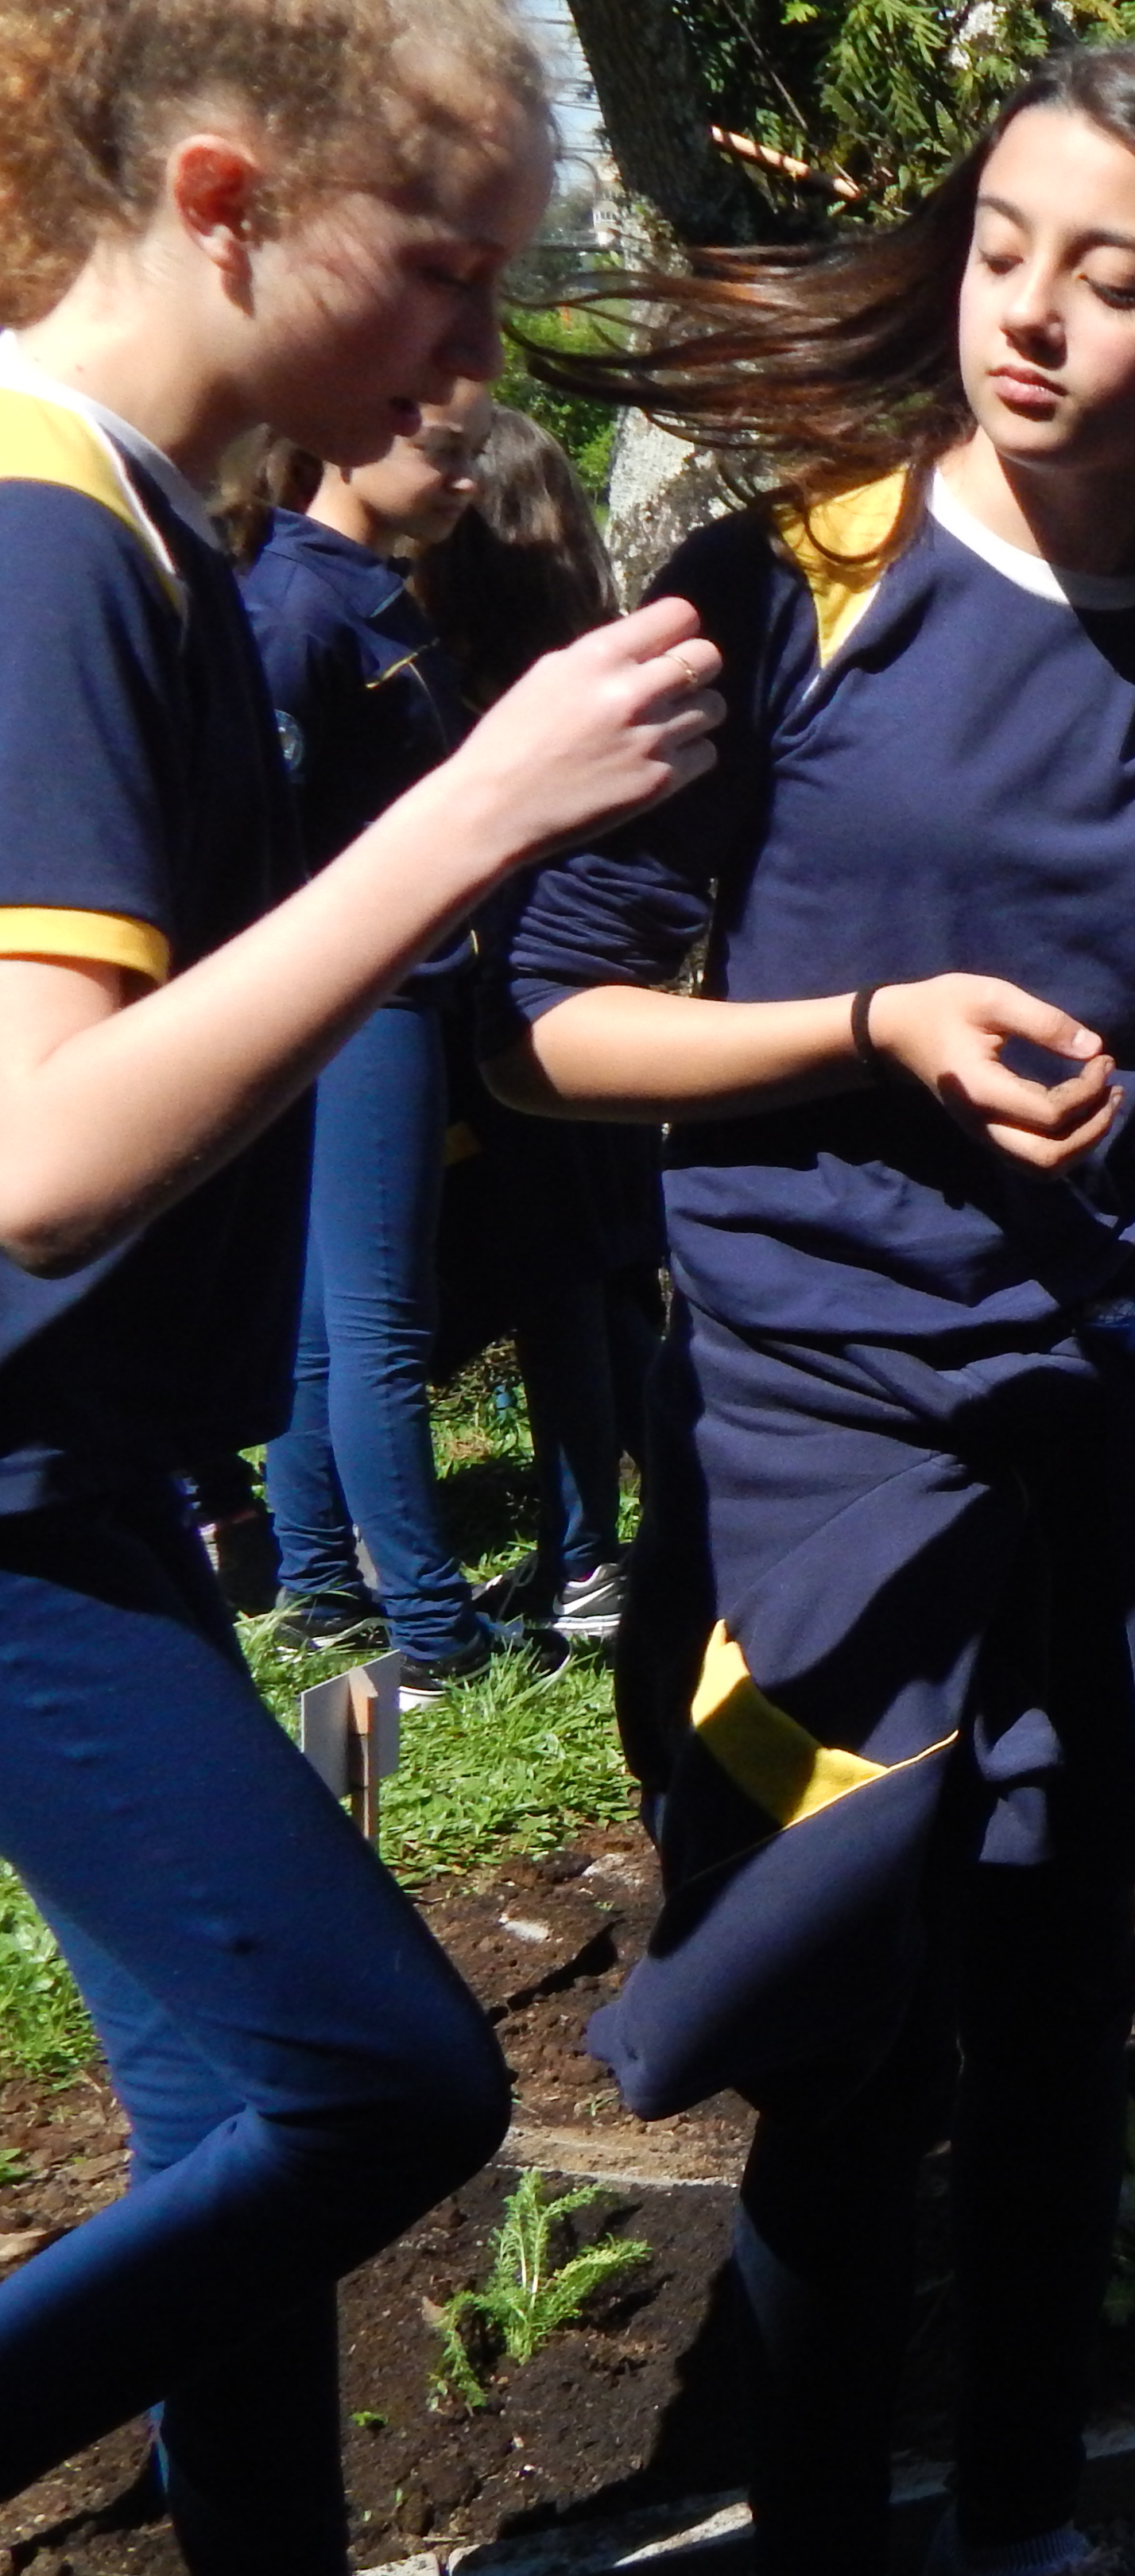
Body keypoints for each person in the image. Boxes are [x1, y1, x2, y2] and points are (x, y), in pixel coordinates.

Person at [496, 42, 1135, 2576]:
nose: (1033, 316)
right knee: (848, 2048)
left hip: (1095, 1431)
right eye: (1005, 247)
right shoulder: (792, 576)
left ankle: (1030, 2526)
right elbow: (562, 1021)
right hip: (810, 1448)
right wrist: (869, 1025)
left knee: (1068, 2027)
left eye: (1118, 276)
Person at [0, 0, 726, 2560]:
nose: (471, 346)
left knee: (223, 2139)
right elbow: (41, 1148)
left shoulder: (139, 529)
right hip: (19, 1491)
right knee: (382, 2085)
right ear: (222, 198)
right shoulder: (55, 534)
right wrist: (473, 814)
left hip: (92, 1481)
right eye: (439, 264)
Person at [241, 386, 519, 1685]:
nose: (466, 481)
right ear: (347, 433)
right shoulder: (300, 610)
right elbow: (262, 838)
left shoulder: (368, 593)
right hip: (369, 999)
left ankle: (316, 1585)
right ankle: (431, 1624)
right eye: (444, 454)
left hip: (372, 995)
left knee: (318, 1316)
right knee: (378, 1323)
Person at [420, 406, 657, 1641]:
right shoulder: (601, 675)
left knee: (542, 1286)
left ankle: (578, 1561)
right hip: (598, 1012)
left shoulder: (447, 693)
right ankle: (610, 1545)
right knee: (599, 1283)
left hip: (490, 1016)